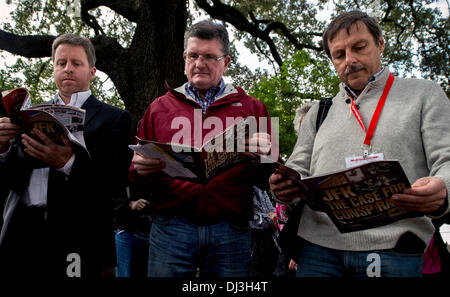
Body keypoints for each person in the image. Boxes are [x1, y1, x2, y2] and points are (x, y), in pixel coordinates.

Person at [269, 10, 450, 277]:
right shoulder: (319, 111)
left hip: (394, 247)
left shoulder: (424, 94)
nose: (350, 60)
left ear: (380, 44)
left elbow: (446, 160)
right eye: (339, 55)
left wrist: (443, 188)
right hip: (319, 250)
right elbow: (298, 167)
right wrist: (284, 186)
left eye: (359, 47)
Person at [130, 20, 272, 277]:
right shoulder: (159, 108)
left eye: (209, 56)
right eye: (193, 55)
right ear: (184, 58)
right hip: (171, 227)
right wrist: (138, 169)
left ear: (226, 62)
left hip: (230, 229)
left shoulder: (254, 109)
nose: (199, 63)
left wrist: (265, 158)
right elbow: (137, 177)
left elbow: (268, 179)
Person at [0, 33, 132, 278]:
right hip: (22, 235)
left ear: (92, 71)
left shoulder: (114, 118)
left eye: (76, 63)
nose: (68, 69)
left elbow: (116, 182)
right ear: (53, 69)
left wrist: (68, 163)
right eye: (61, 63)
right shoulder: (28, 114)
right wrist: (4, 149)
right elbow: (11, 179)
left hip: (80, 238)